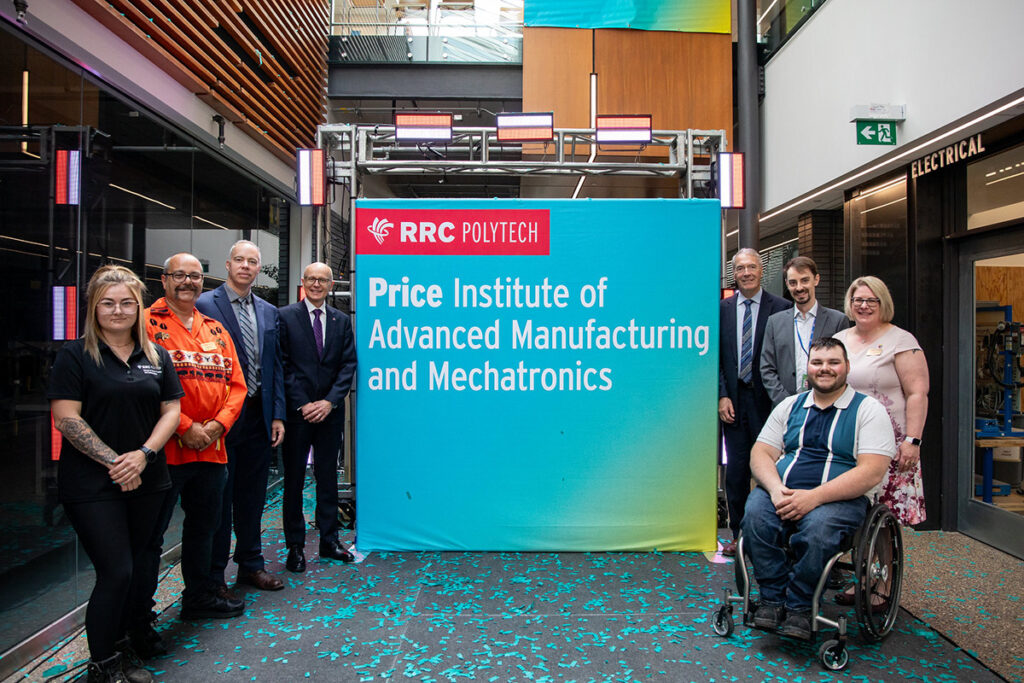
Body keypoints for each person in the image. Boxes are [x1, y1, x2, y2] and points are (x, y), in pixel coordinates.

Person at [48, 265, 183, 683]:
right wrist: (116, 463)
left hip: (149, 479)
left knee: (139, 567)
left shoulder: (156, 355)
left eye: (127, 302)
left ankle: (123, 650)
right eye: (108, 303)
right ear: (93, 308)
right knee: (116, 571)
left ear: (139, 307)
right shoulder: (75, 356)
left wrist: (142, 455)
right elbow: (65, 418)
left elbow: (172, 410)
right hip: (92, 485)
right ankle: (102, 666)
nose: (118, 310)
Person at [742, 337, 897, 640]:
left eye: (833, 362)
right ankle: (772, 599)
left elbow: (871, 472)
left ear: (847, 367)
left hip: (838, 498)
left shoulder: (869, 411)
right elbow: (760, 453)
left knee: (818, 529)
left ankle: (800, 606)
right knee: (755, 516)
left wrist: (813, 498)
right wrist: (775, 490)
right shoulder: (790, 406)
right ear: (808, 369)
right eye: (817, 362)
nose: (825, 369)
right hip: (784, 491)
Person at [140, 253, 247, 627]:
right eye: (180, 275)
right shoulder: (146, 325)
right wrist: (185, 427)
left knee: (205, 528)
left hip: (212, 451)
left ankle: (198, 597)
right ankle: (140, 617)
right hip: (166, 450)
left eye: (196, 276)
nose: (188, 282)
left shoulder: (216, 328)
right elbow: (145, 385)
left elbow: (238, 385)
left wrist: (217, 426)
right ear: (164, 280)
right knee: (150, 538)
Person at [832, 276, 929, 606]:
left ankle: (882, 585)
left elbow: (917, 393)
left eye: (871, 300)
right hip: (849, 442)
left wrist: (913, 441)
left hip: (891, 444)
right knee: (855, 512)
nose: (863, 305)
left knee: (882, 517)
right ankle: (862, 578)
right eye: (858, 299)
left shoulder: (901, 340)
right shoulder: (841, 339)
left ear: (883, 303)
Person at [197, 240, 286, 595]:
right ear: (228, 264)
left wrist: (277, 414)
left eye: (252, 261)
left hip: (258, 416)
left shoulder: (267, 311)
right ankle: (215, 574)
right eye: (239, 260)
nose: (246, 266)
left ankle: (251, 565)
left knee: (252, 496)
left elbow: (275, 365)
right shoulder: (206, 305)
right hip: (220, 417)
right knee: (220, 496)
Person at [278, 262, 358, 572]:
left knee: (327, 479)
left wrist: (328, 402)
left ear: (331, 284)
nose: (316, 284)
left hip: (330, 414)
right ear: (303, 282)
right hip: (297, 415)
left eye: (322, 280)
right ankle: (295, 546)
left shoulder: (340, 320)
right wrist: (303, 403)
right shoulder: (284, 317)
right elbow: (282, 365)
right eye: (311, 279)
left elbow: (348, 365)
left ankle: (329, 541)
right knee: (295, 481)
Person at [718, 248, 790, 556]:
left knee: (771, 469)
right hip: (733, 400)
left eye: (751, 267)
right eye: (740, 268)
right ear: (734, 273)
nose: (746, 273)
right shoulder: (721, 309)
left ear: (762, 271)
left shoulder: (782, 308)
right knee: (735, 472)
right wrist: (722, 394)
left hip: (768, 402)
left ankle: (770, 533)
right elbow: (718, 357)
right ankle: (738, 534)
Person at [761, 256, 850, 406]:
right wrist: (787, 403)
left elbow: (843, 367)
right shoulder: (774, 322)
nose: (799, 287)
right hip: (785, 407)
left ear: (816, 280)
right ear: (787, 284)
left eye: (804, 280)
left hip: (828, 405)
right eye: (793, 282)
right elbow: (767, 368)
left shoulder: (838, 321)